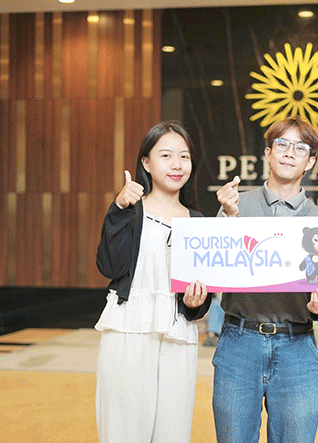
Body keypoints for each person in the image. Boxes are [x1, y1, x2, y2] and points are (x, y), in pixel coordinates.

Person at [214, 115, 318, 443]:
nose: (289, 152)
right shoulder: (235, 205)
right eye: (282, 144)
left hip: (297, 346)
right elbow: (218, 269)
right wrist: (228, 218)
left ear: (310, 162)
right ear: (268, 153)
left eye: (300, 148)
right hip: (239, 341)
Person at [94, 121, 212, 443]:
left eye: (184, 157)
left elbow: (202, 299)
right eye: (166, 155)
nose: (177, 165)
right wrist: (119, 208)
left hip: (178, 337)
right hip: (128, 330)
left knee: (172, 432)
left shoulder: (198, 222)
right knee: (124, 431)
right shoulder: (130, 211)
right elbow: (109, 265)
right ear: (146, 162)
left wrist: (195, 303)